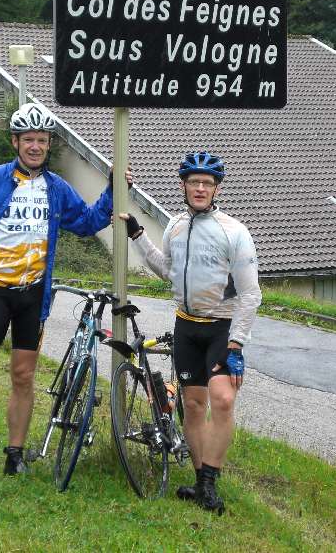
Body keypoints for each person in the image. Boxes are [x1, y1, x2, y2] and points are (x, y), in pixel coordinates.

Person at [0, 102, 130, 484]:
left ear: (47, 144)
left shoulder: (57, 189)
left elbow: (88, 222)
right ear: (16, 141)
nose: (36, 146)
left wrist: (113, 190)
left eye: (42, 140)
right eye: (29, 140)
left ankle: (15, 454)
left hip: (33, 295)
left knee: (23, 376)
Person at [119, 152, 261, 513]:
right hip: (185, 327)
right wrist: (137, 234)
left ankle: (210, 481)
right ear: (183, 186)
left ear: (216, 189)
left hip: (221, 328)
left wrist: (237, 344)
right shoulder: (175, 227)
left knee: (223, 400)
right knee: (194, 406)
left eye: (207, 183)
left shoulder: (234, 231)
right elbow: (167, 269)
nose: (200, 188)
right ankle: (200, 484)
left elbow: (251, 294)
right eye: (194, 182)